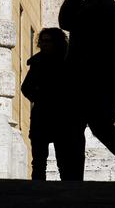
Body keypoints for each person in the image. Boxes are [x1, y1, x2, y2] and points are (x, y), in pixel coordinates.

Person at [59, 0, 115, 178]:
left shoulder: (103, 7)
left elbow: (67, 22)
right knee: (76, 129)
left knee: (98, 127)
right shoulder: (91, 4)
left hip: (94, 80)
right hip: (84, 78)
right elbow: (66, 22)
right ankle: (72, 178)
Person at [22, 28, 82, 180]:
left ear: (57, 42)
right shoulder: (37, 62)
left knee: (64, 163)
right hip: (41, 117)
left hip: (63, 118)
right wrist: (41, 97)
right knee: (38, 163)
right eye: (41, 41)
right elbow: (26, 87)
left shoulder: (68, 62)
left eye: (47, 41)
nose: (43, 44)